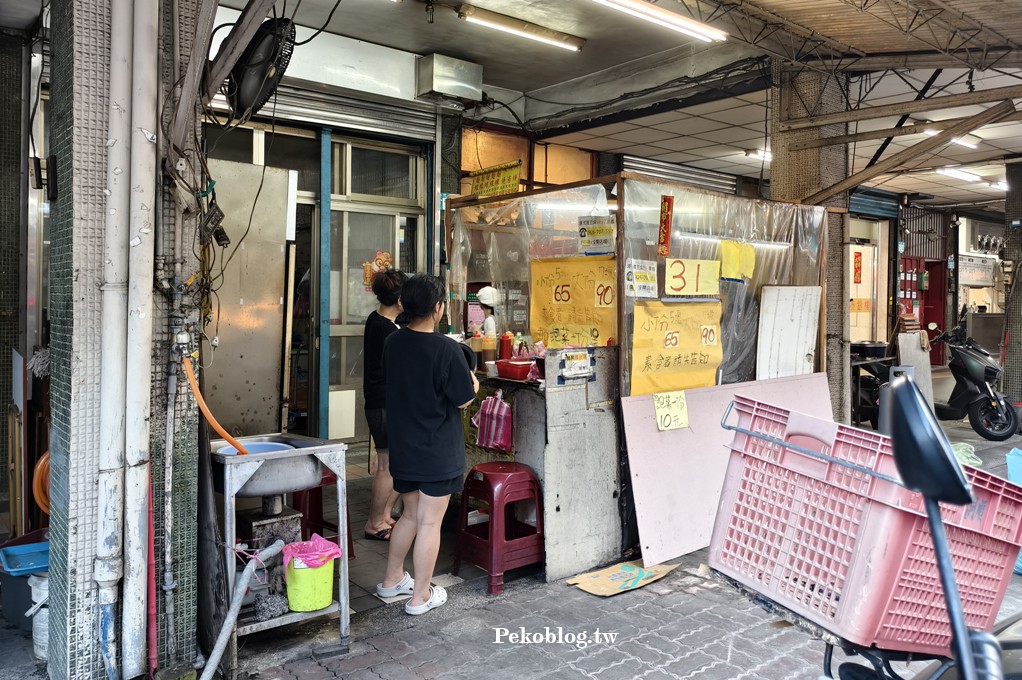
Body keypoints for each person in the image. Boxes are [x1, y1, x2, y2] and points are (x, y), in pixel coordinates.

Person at [376, 274, 478, 615]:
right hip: (436, 451)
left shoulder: (393, 342)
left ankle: (391, 579)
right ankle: (420, 596)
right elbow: (463, 399)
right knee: (430, 523)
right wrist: (473, 379)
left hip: (405, 447)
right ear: (437, 308)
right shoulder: (446, 349)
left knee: (409, 515)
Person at [362, 268, 408, 541]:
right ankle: (375, 522)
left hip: (378, 402)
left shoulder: (375, 319)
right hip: (384, 404)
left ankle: (384, 516)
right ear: (400, 300)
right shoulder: (389, 330)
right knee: (386, 465)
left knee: (391, 463)